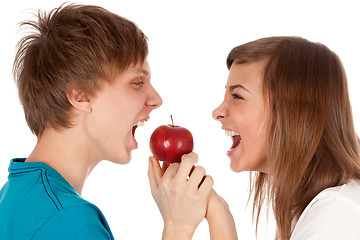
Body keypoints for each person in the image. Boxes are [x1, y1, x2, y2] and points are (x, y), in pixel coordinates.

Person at [148, 36, 360, 240]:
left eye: (237, 96)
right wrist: (218, 214)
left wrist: (178, 228)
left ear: (293, 112)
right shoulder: (324, 209)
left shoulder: (335, 215)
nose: (217, 112)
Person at [0, 3, 168, 239]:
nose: (156, 99)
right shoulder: (66, 220)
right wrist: (178, 226)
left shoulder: (14, 197)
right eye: (138, 82)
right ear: (80, 95)